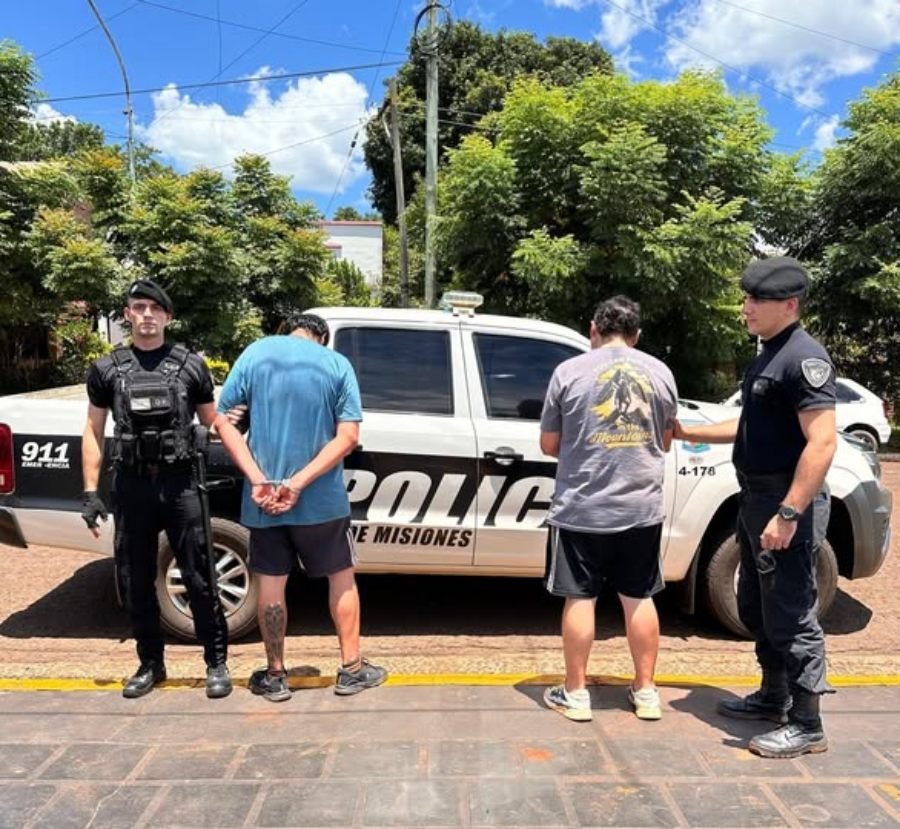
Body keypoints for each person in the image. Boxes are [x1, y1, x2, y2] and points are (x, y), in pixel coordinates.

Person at [674, 256, 837, 759]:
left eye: (756, 300)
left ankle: (807, 724)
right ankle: (774, 695)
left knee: (790, 608)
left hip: (786, 501)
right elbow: (747, 424)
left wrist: (788, 514)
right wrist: (687, 431)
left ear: (788, 304)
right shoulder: (769, 352)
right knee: (757, 605)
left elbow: (823, 442)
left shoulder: (803, 358)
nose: (746, 307)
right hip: (755, 496)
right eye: (746, 298)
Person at [214, 315, 387, 703]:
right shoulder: (336, 364)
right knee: (341, 578)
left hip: (262, 501)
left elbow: (222, 423)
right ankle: (352, 670)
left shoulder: (255, 354)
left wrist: (260, 479)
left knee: (272, 583)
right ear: (322, 338)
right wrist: (298, 483)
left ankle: (276, 676)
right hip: (321, 502)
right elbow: (349, 436)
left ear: (285, 331)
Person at [81, 279, 231, 699]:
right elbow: (93, 430)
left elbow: (212, 422)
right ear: (128, 315)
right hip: (132, 485)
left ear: (167, 316)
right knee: (136, 578)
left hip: (181, 482)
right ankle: (151, 663)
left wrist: (226, 434)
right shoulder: (107, 369)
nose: (146, 315)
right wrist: (90, 491)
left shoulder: (189, 365)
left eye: (154, 308)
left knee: (201, 576)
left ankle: (216, 662)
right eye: (138, 307)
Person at [539, 295, 677, 723]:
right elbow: (667, 440)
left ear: (592, 330)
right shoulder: (661, 373)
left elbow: (548, 444)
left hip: (582, 509)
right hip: (640, 509)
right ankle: (647, 691)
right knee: (639, 597)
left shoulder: (568, 372)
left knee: (580, 598)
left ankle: (577, 694)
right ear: (636, 335)